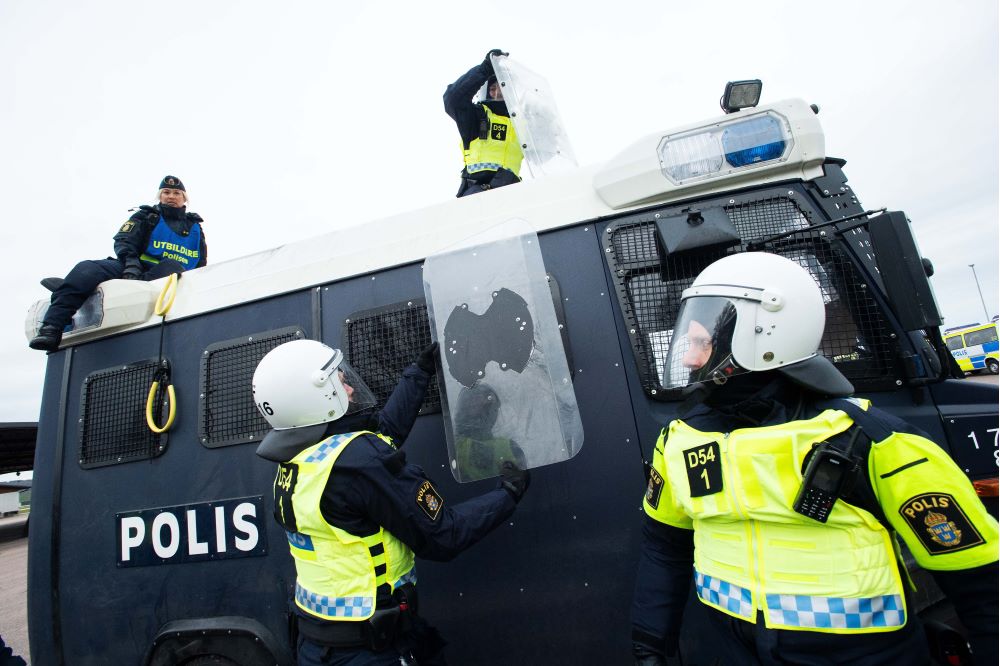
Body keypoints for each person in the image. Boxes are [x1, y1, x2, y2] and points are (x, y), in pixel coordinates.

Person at [630, 252, 999, 665]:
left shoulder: (874, 441)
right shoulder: (680, 440)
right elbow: (664, 549)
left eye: (702, 342)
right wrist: (649, 646)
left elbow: (982, 585)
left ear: (766, 334)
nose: (689, 358)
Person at [253, 339, 530, 665]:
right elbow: (444, 536)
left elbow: (385, 432)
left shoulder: (301, 461)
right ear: (313, 397)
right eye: (338, 380)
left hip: (318, 645)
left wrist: (420, 371)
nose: (350, 387)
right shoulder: (359, 462)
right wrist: (508, 494)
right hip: (371, 651)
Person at [29, 175, 207, 351]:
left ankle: (88, 291)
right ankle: (52, 327)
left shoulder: (196, 229)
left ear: (184, 198)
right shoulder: (147, 216)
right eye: (166, 192)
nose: (171, 196)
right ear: (160, 196)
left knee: (171, 266)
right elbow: (125, 241)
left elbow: (200, 264)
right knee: (86, 270)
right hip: (132, 267)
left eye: (176, 193)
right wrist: (131, 265)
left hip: (166, 279)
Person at [443, 48, 524, 197]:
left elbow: (545, 154)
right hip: (478, 191)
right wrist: (485, 69)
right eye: (492, 88)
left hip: (512, 190)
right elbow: (453, 99)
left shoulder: (522, 123)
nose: (497, 91)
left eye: (502, 85)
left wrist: (545, 120)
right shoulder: (477, 115)